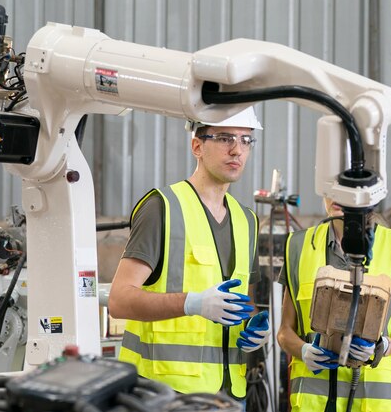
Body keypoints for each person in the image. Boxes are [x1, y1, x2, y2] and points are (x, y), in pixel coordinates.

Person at [108, 107, 272, 401]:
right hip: (163, 393)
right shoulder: (163, 207)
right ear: (197, 145)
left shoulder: (247, 220)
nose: (237, 150)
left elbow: (239, 301)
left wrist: (253, 328)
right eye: (225, 138)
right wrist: (192, 303)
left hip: (228, 395)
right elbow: (119, 300)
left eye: (246, 140)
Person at [277, 198, 391, 411]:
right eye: (331, 188)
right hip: (314, 403)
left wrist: (383, 347)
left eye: (344, 189)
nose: (337, 197)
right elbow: (284, 332)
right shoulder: (299, 246)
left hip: (376, 403)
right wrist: (303, 350)